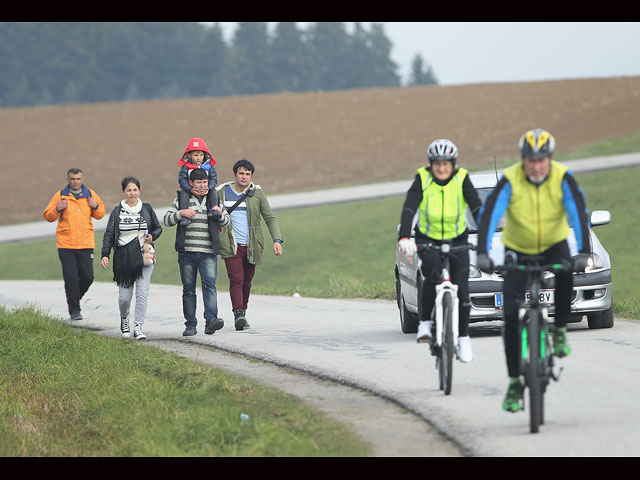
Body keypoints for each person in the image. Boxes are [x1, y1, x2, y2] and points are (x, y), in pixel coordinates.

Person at [475, 128, 591, 413]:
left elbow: (578, 210)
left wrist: (585, 252)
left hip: (554, 243)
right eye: (530, 160)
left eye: (542, 160)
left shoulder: (563, 177)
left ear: (550, 158)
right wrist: (482, 252)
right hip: (519, 247)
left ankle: (560, 328)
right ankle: (515, 382)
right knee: (511, 317)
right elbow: (490, 213)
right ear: (522, 159)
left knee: (566, 271)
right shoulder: (511, 180)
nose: (536, 166)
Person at [397, 139, 482, 362]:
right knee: (432, 276)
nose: (442, 168)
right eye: (437, 164)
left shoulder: (462, 177)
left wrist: (486, 229)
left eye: (446, 164)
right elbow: (409, 206)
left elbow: (476, 206)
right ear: (431, 165)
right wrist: (404, 236)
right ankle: (425, 323)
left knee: (462, 290)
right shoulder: (422, 178)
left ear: (453, 164)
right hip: (428, 238)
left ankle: (463, 338)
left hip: (457, 239)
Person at [216, 158, 283, 331]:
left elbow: (269, 217)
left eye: (248, 174)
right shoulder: (222, 192)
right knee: (236, 278)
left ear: (251, 176)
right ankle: (238, 314)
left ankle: (243, 313)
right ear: (235, 174)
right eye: (241, 173)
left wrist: (277, 240)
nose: (244, 177)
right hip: (231, 244)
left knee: (247, 281)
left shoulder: (257, 193)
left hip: (252, 244)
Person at [164, 168, 230, 336]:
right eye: (199, 183)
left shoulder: (213, 198)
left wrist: (219, 214)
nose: (202, 186)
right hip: (186, 252)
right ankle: (190, 325)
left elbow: (226, 221)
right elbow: (166, 219)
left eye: (205, 182)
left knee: (210, 286)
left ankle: (211, 321)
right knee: (188, 289)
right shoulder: (181, 199)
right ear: (191, 183)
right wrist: (181, 213)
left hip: (208, 252)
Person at [100, 176, 163, 340]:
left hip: (145, 257)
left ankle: (138, 326)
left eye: (135, 190)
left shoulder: (147, 209)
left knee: (142, 294)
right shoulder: (117, 211)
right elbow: (109, 234)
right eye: (129, 190)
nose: (132, 193)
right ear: (123, 192)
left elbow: (157, 228)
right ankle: (124, 318)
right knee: (124, 297)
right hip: (124, 258)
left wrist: (152, 237)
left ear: (140, 191)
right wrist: (105, 254)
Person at [43, 168, 106, 321]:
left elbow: (101, 214)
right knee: (71, 278)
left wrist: (95, 206)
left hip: (85, 243)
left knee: (87, 277)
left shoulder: (90, 194)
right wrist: (58, 208)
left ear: (82, 179)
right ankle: (75, 311)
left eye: (78, 179)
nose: (75, 182)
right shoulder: (60, 196)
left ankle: (74, 301)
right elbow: (48, 216)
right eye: (72, 179)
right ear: (68, 180)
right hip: (66, 245)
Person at [177, 137, 217, 225]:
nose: (199, 158)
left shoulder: (209, 166)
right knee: (183, 193)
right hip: (190, 190)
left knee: (214, 191)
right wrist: (189, 189)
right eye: (196, 155)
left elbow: (214, 178)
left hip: (206, 189)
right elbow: (182, 179)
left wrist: (209, 188)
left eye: (201, 155)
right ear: (189, 155)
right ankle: (185, 216)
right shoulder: (186, 166)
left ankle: (214, 210)